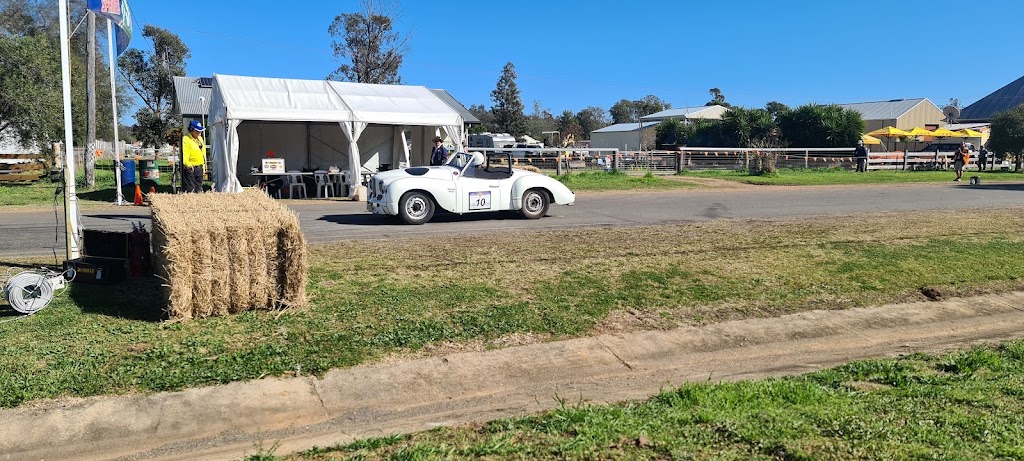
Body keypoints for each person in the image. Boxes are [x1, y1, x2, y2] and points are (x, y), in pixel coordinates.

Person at [182, 120, 206, 193]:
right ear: (191, 130)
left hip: (200, 167)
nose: (199, 133)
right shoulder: (186, 139)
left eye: (200, 131)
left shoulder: (200, 139)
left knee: (199, 189)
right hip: (191, 168)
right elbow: (185, 153)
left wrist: (204, 166)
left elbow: (203, 153)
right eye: (197, 131)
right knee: (191, 189)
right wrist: (188, 164)